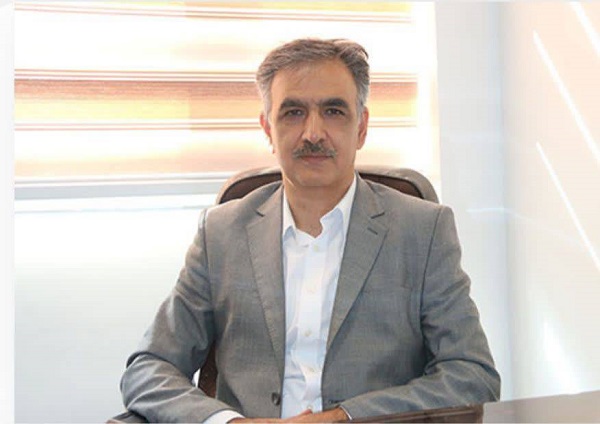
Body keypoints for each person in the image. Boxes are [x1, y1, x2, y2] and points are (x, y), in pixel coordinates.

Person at [120, 38, 500, 423]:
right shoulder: (221, 233)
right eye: (293, 112)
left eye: (333, 111)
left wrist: (342, 418)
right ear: (268, 128)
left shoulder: (422, 231)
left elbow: (472, 376)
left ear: (361, 127)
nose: (313, 133)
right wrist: (228, 422)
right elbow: (149, 367)